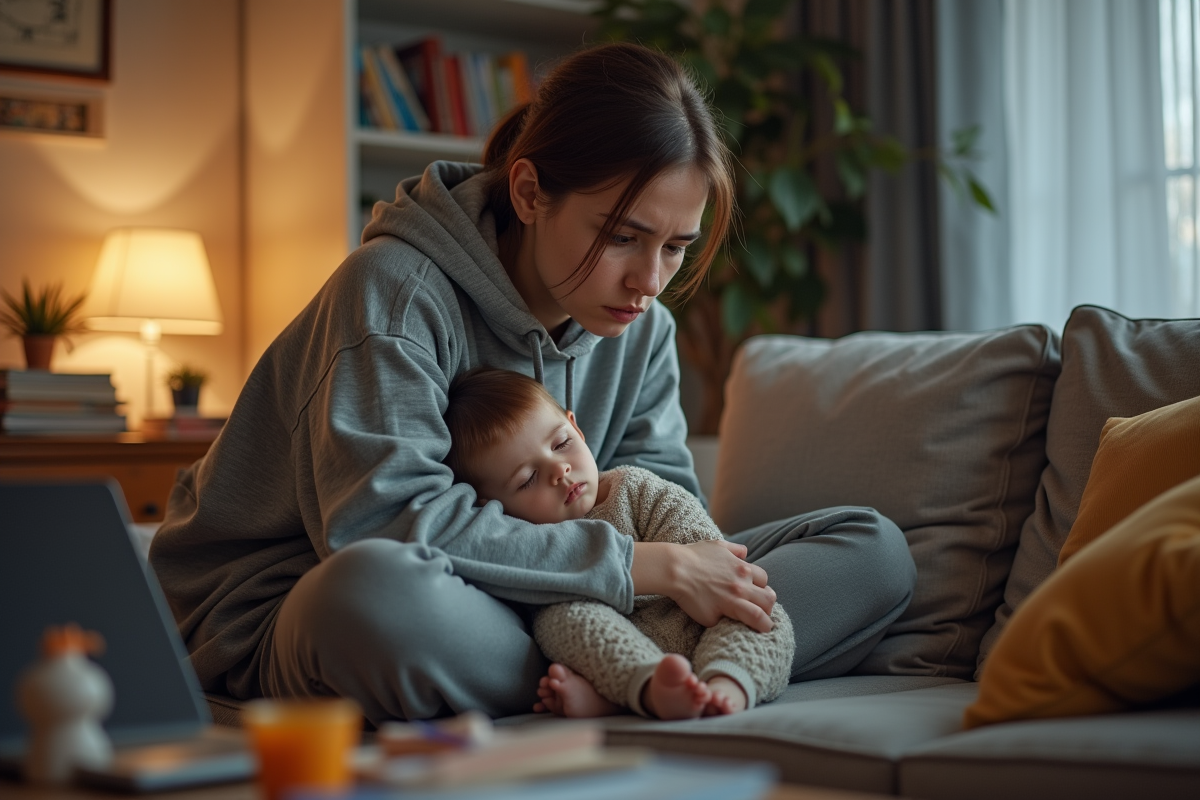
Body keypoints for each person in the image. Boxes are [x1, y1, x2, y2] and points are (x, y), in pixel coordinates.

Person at [149, 41, 917, 727]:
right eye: (621, 236)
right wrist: (642, 569)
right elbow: (383, 525)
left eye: (676, 247)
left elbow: (662, 504)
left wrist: (683, 569)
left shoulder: (642, 328)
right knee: (373, 594)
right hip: (312, 597)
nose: (649, 280)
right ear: (527, 194)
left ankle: (648, 678)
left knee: (873, 550)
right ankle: (627, 678)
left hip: (563, 605)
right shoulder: (394, 290)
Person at [444, 366, 794, 720]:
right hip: (620, 650)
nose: (559, 470)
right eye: (528, 478)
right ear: (494, 511)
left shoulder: (637, 490)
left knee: (757, 606)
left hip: (698, 617)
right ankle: (649, 687)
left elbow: (707, 553)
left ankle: (725, 686)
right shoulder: (524, 550)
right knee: (559, 618)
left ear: (577, 428)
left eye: (562, 443)